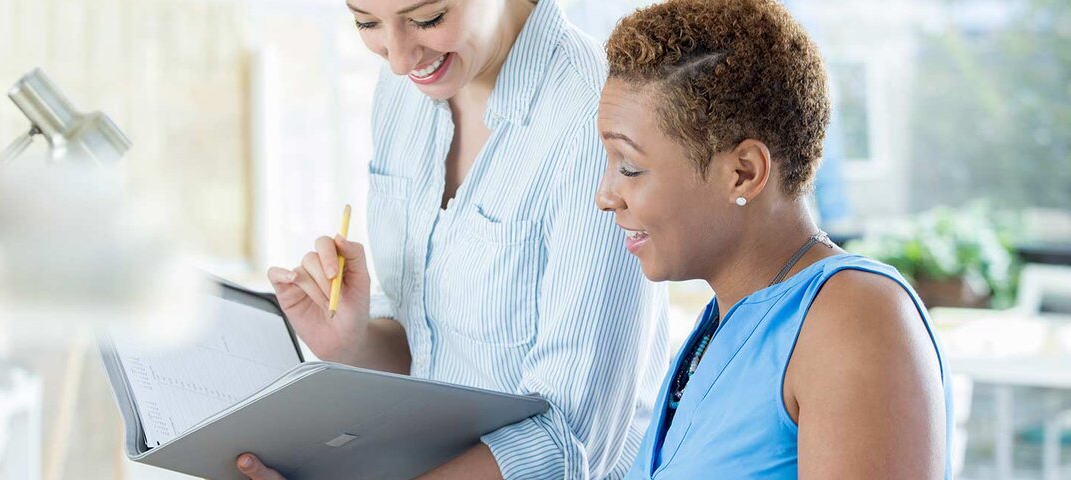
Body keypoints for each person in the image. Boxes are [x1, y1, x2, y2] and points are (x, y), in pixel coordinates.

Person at [238, 0, 668, 478]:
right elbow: (432, 348)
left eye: (428, 19)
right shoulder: (405, 90)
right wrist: (353, 343)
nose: (399, 60)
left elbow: (568, 442)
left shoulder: (595, 121)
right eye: (366, 23)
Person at [593, 0, 952, 477]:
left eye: (630, 167)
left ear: (744, 172)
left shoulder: (856, 319)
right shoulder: (718, 328)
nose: (605, 195)